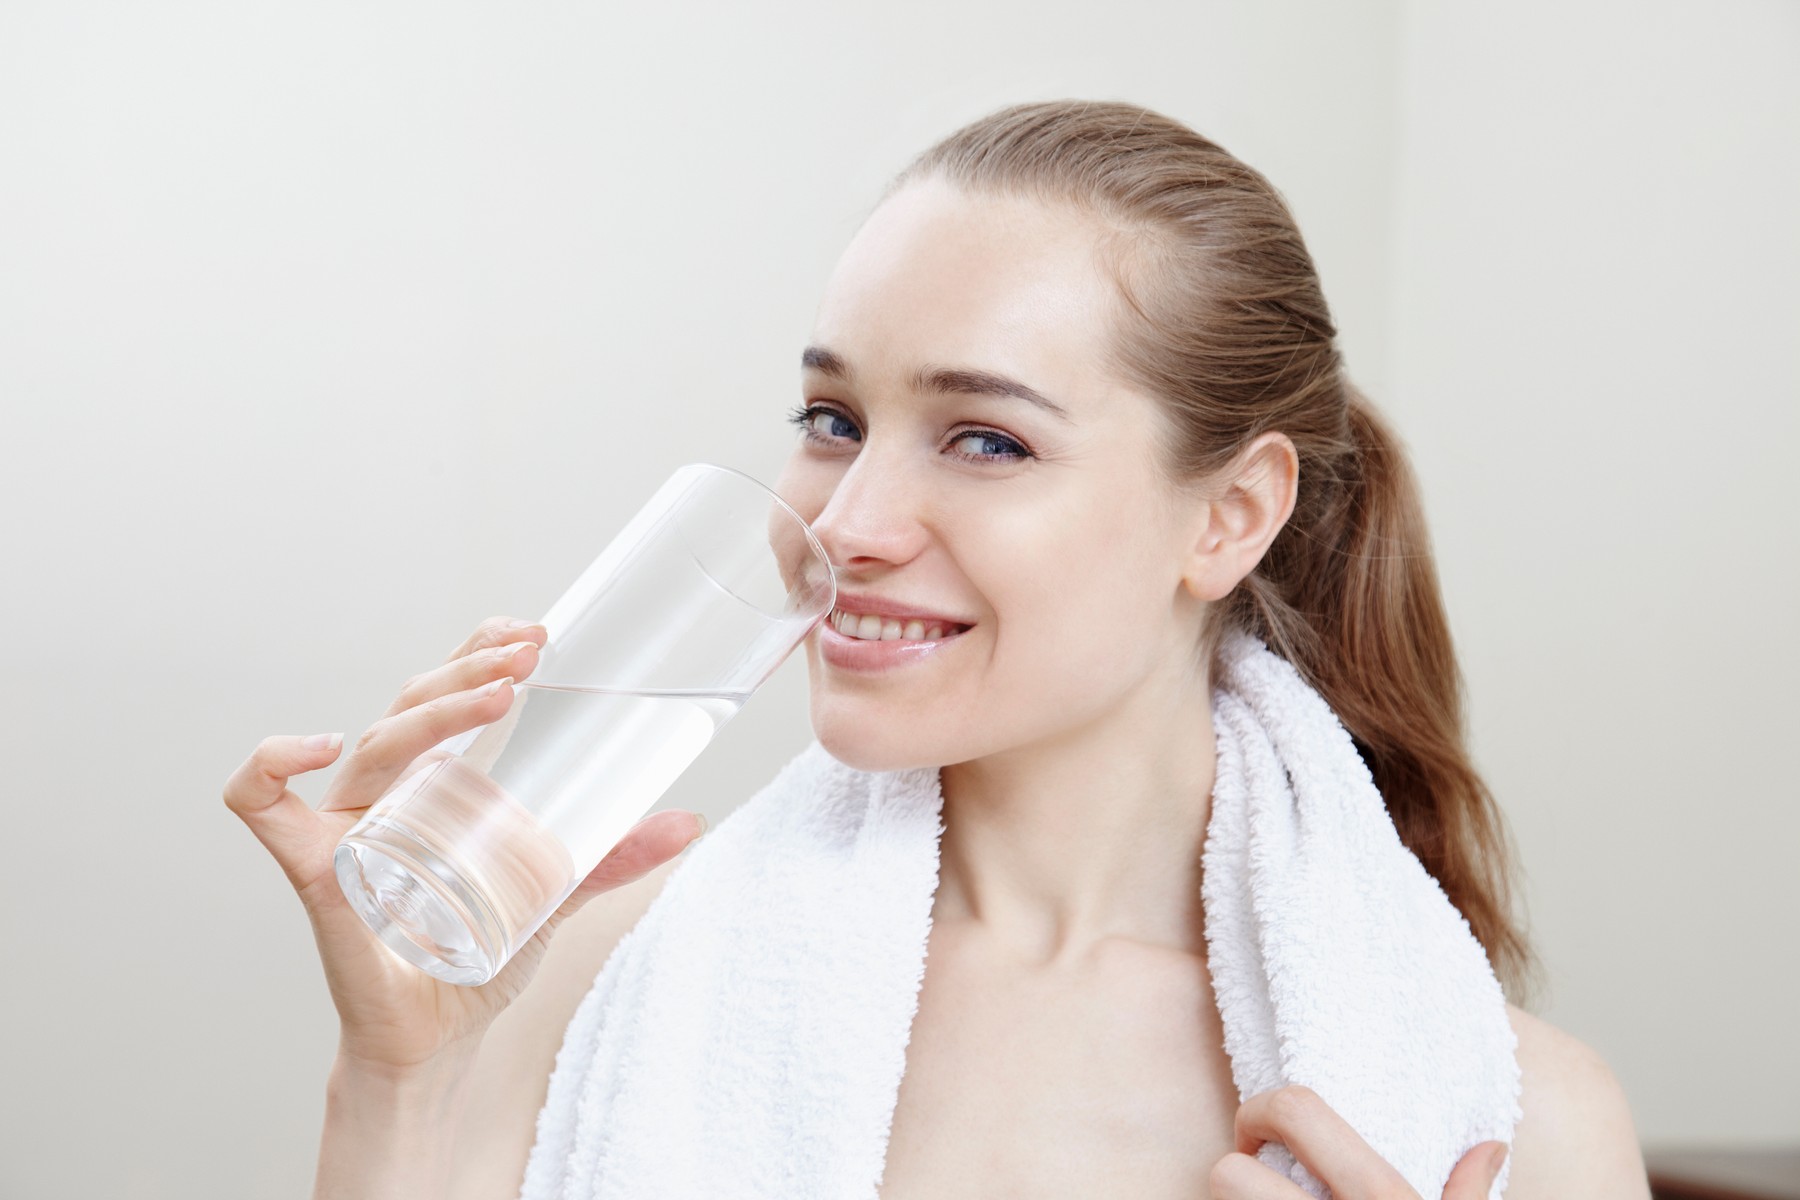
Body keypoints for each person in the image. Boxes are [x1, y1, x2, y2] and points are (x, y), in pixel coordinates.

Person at [224, 100, 1650, 1199]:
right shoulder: (594, 980)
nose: (848, 522)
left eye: (985, 438)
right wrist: (399, 1074)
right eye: (833, 420)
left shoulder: (1518, 1123)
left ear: (1229, 515)